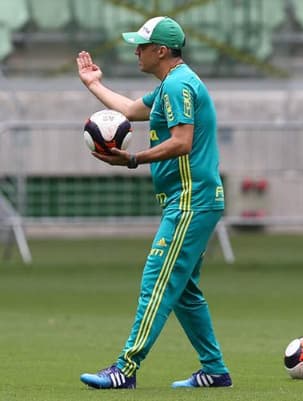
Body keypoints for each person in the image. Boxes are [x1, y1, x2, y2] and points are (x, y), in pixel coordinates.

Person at [76, 16, 231, 390]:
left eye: (142, 46)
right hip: (192, 200)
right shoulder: (173, 84)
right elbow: (129, 110)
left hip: (191, 201)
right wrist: (94, 84)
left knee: (157, 281)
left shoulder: (178, 85)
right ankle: (214, 370)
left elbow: (182, 142)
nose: (136, 52)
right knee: (183, 290)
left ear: (161, 51)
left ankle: (125, 369)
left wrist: (132, 159)